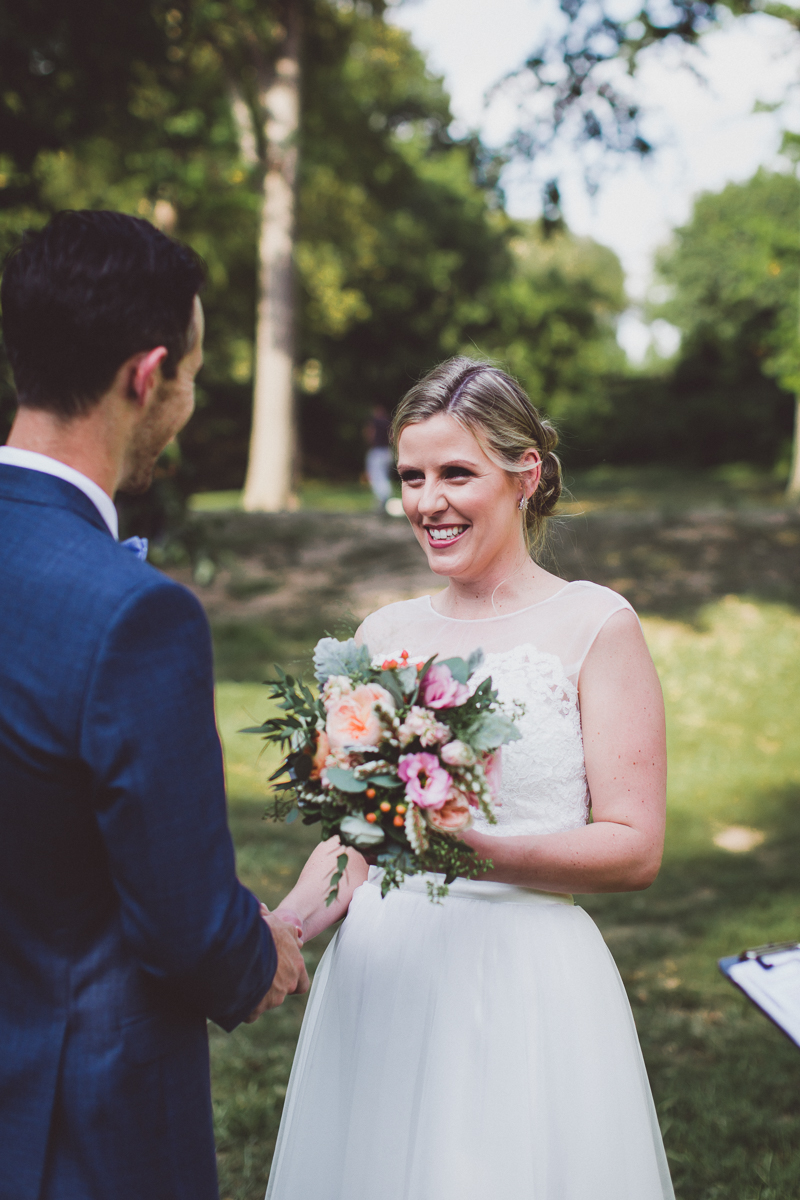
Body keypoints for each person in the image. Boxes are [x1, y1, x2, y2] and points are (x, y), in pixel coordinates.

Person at [264, 357, 674, 1199]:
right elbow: (356, 842)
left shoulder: (595, 624)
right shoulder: (382, 632)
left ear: (526, 475)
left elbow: (634, 849)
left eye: (457, 473)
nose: (427, 502)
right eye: (413, 476)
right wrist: (286, 928)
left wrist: (466, 849)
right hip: (381, 975)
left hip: (525, 980)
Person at [0, 210, 309, 1200]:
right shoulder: (133, 615)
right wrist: (257, 952)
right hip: (78, 1115)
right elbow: (183, 924)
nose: (186, 404)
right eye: (191, 377)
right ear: (148, 375)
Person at [363, 401, 393, 510]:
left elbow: (370, 434)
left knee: (376, 476)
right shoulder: (388, 421)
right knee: (384, 476)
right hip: (387, 452)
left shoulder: (375, 421)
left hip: (377, 452)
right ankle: (385, 497)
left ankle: (382, 498)